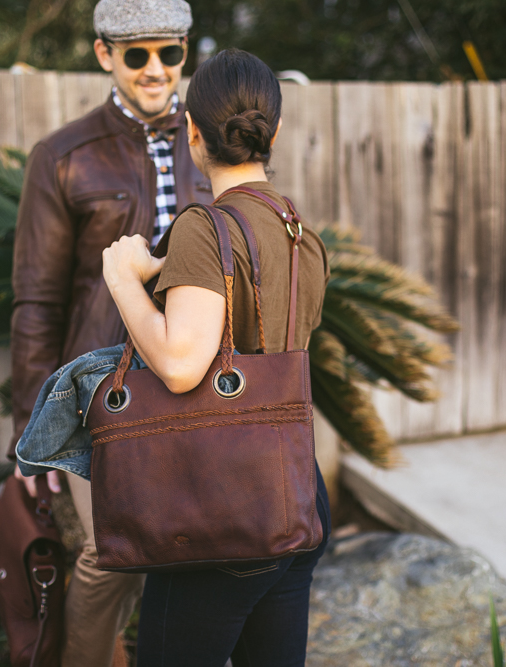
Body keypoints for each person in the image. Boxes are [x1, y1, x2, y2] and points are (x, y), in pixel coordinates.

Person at [101, 48, 332, 667]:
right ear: (275, 132)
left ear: (193, 132)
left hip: (225, 510)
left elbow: (181, 364)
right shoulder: (298, 232)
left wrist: (124, 280)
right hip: (295, 496)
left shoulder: (206, 228)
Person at [8, 0, 211, 664]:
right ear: (104, 55)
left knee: (204, 545)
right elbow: (36, 300)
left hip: (196, 374)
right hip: (100, 384)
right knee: (108, 552)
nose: (156, 70)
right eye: (136, 55)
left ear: (185, 51)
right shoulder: (62, 155)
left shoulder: (215, 141)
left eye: (170, 53)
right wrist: (33, 432)